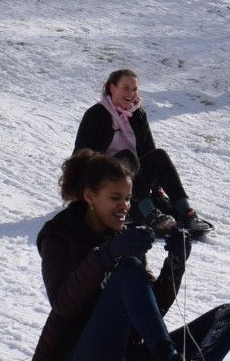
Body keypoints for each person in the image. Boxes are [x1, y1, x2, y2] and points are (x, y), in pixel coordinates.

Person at [25, 150, 230, 361]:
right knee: (128, 270)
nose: (125, 206)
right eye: (115, 197)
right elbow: (62, 304)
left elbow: (150, 313)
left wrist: (175, 266)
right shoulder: (59, 235)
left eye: (128, 198)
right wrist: (104, 257)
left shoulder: (124, 235)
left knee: (229, 317)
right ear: (90, 196)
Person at [74, 69, 216, 237]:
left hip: (133, 182)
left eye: (134, 89)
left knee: (159, 155)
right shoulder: (96, 114)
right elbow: (80, 157)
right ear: (112, 88)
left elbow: (148, 151)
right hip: (102, 184)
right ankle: (150, 214)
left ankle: (186, 212)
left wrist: (157, 191)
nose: (131, 93)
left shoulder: (138, 114)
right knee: (125, 157)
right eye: (125, 88)